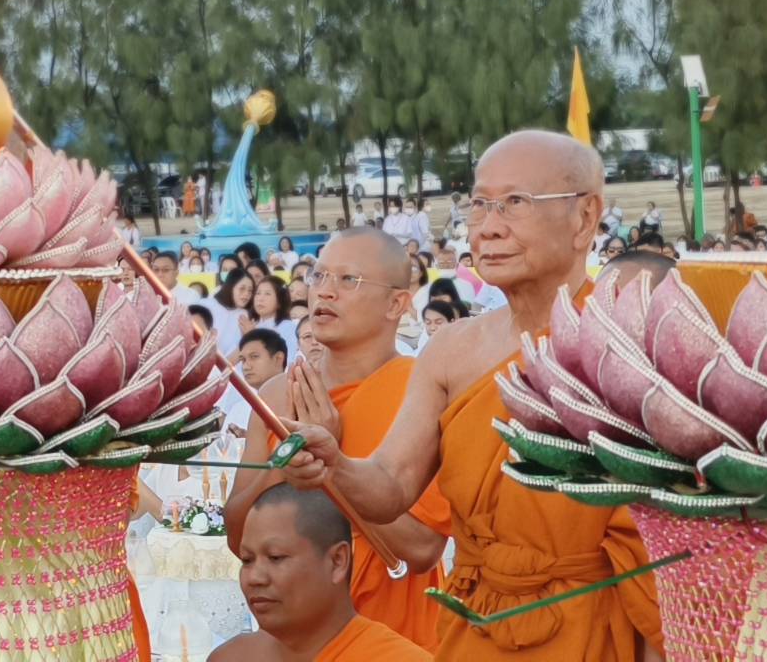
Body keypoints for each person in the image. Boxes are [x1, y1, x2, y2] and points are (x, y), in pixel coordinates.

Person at [277, 131, 664, 661]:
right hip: (475, 626)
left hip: (591, 626)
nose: (488, 226)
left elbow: (654, 549)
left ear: (584, 217)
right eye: (479, 204)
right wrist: (336, 466)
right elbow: (390, 484)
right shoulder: (452, 350)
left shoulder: (631, 345)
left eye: (515, 202)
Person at [225, 228, 451, 653]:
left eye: (349, 280)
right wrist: (284, 466)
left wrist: (334, 464)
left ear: (396, 304)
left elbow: (422, 549)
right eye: (319, 276)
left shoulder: (423, 393)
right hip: (298, 637)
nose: (325, 292)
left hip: (393, 637)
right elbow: (238, 537)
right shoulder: (278, 396)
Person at [210, 484, 431, 662]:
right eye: (247, 560)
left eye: (276, 557)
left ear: (337, 561)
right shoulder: (230, 658)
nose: (255, 578)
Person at [225, 327, 290, 436]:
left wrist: (250, 439)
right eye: (243, 360)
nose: (246, 367)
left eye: (254, 357)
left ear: (278, 358)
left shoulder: (298, 399)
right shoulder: (237, 409)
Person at [246, 275, 298, 363]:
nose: (260, 299)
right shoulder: (250, 325)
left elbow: (288, 360)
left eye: (267, 294)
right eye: (258, 293)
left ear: (280, 302)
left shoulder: (289, 327)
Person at [206, 269, 256, 360]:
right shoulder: (206, 305)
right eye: (242, 288)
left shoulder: (244, 315)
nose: (246, 294)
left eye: (250, 291)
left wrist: (248, 337)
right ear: (230, 287)